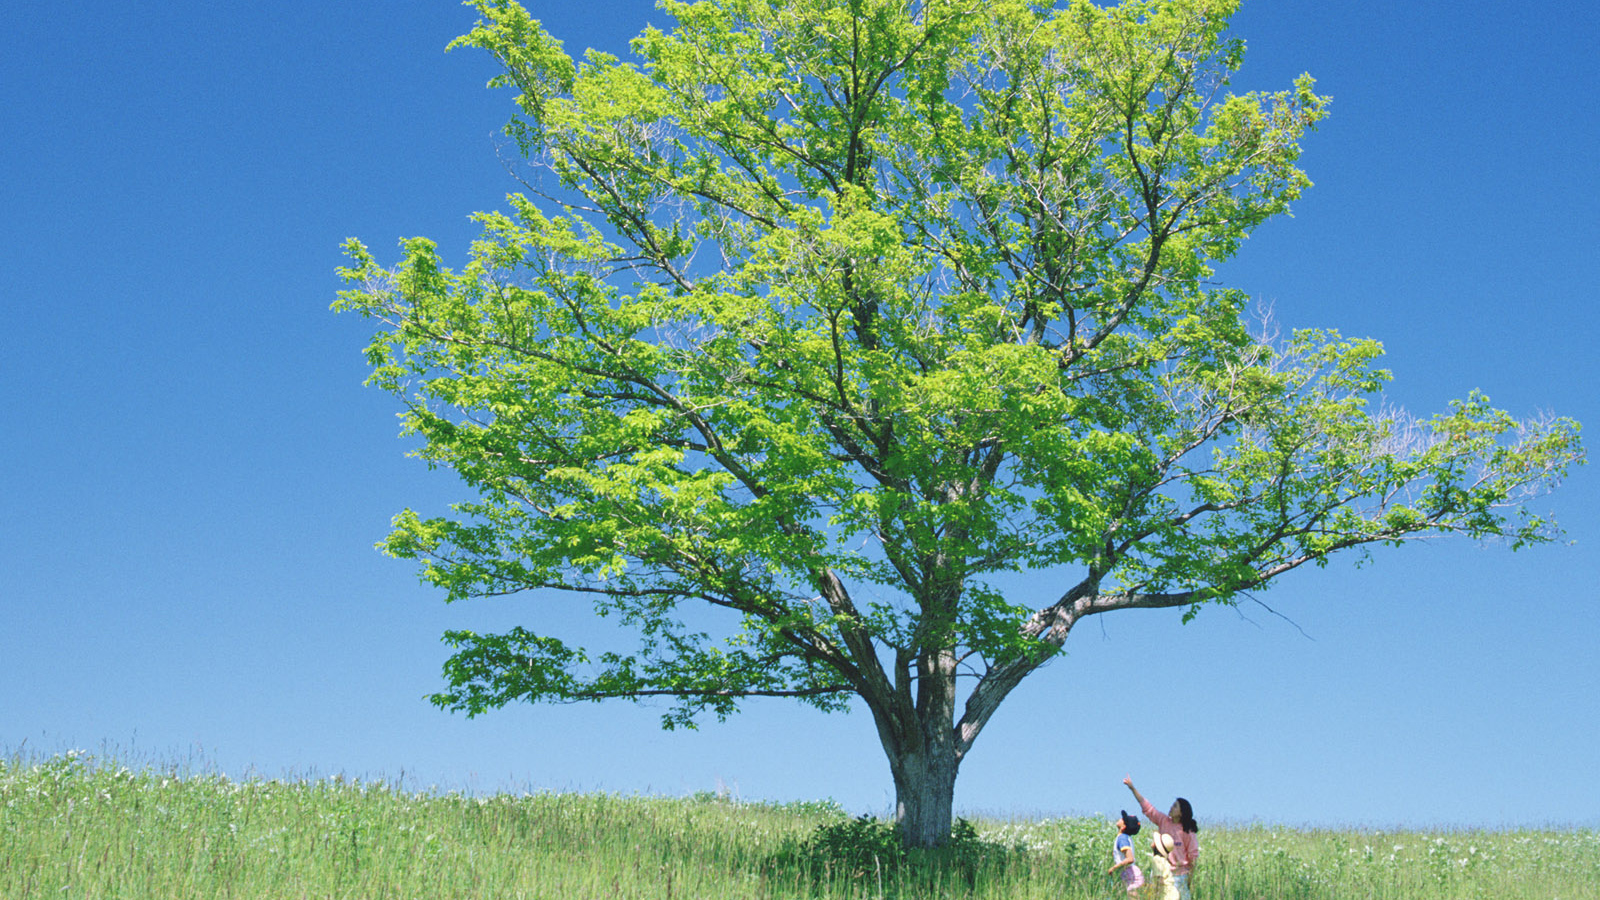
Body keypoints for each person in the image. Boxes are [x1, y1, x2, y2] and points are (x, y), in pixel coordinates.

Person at [1123, 776, 1199, 899]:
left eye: (1175, 806)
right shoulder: (1164, 821)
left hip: (1180, 876)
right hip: (1162, 872)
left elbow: (1193, 858)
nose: (1171, 807)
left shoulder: (1187, 832)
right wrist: (1132, 788)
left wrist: (1189, 879)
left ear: (1181, 813)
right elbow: (1147, 808)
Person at [1107, 810, 1145, 896]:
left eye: (1123, 819)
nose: (1120, 819)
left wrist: (1114, 868)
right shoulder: (1124, 838)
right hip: (1130, 873)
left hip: (1131, 875)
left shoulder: (1122, 838)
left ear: (1123, 827)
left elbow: (1130, 859)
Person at [1147, 831, 1180, 900]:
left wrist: (1154, 895)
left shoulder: (1156, 859)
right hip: (1172, 894)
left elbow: (1159, 880)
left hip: (1166, 896)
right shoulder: (1164, 860)